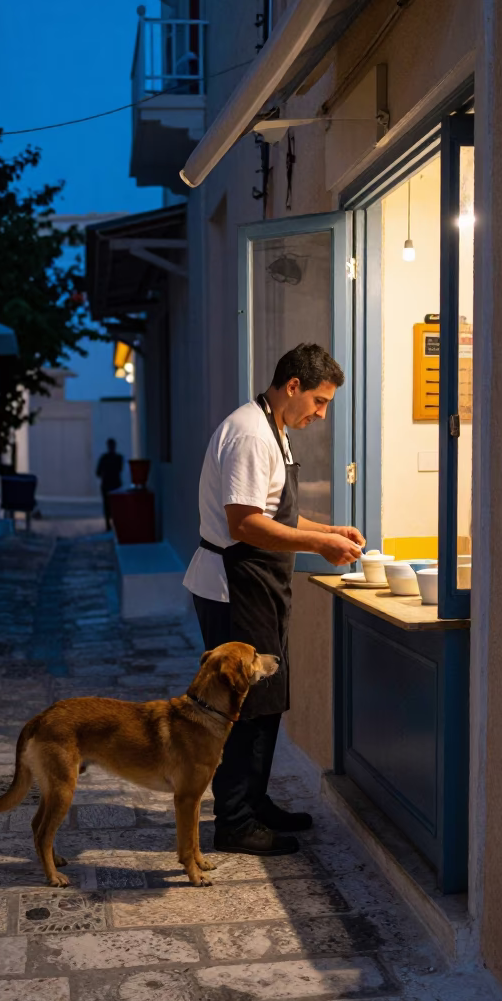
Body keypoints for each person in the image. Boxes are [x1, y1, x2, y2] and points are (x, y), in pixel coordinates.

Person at [183, 343, 365, 857]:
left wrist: (328, 530)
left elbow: (275, 516)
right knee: (241, 706)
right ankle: (234, 822)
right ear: (292, 387)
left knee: (265, 702)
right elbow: (244, 524)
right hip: (234, 586)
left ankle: (254, 803)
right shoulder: (248, 434)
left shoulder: (274, 430)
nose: (321, 414)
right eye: (320, 401)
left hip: (260, 585)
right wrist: (319, 544)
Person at [96, 438, 124, 531]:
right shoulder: (118, 458)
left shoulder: (105, 458)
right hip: (113, 485)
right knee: (114, 506)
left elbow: (98, 472)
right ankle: (113, 524)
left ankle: (109, 524)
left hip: (108, 485)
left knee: (109, 506)